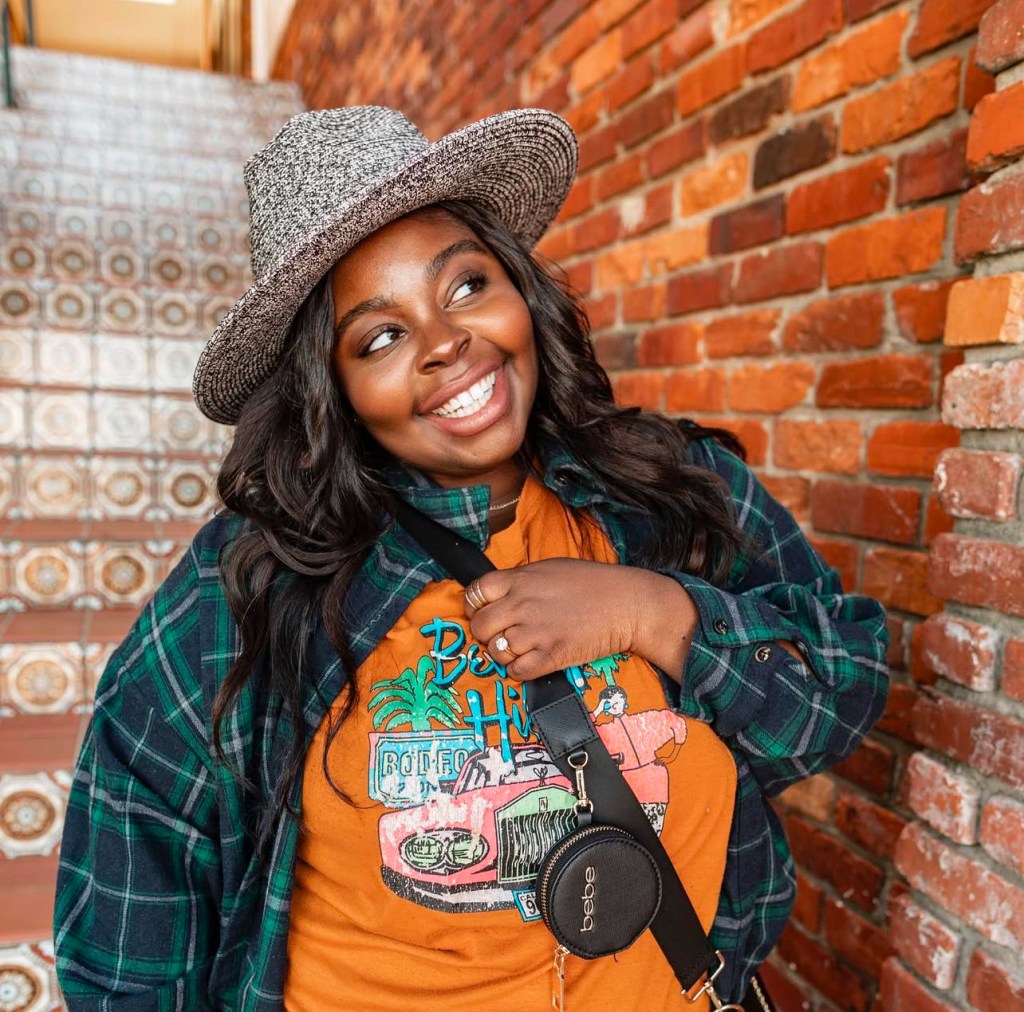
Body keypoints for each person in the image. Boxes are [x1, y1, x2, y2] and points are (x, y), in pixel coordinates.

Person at [53, 107, 889, 1011]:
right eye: (379, 337)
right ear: (333, 389)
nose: (445, 342)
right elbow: (130, 942)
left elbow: (839, 694)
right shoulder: (251, 589)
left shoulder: (668, 491)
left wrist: (653, 613)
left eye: (464, 285)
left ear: (519, 289)